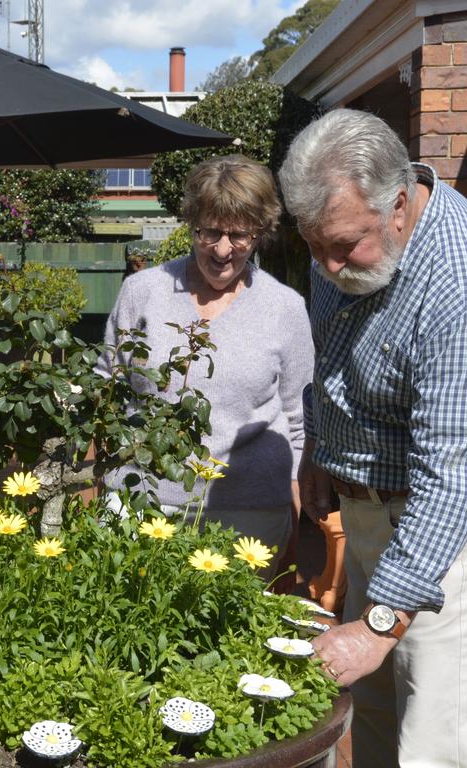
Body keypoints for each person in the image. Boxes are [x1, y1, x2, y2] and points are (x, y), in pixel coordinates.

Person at [278, 108, 467, 768]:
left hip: (455, 528)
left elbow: (452, 478)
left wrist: (383, 621)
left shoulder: (466, 285)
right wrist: (317, 447)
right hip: (371, 512)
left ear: (399, 204)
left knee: (437, 748)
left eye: (343, 246)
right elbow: (334, 354)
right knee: (379, 729)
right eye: (313, 246)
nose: (329, 266)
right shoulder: (346, 232)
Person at [99, 154, 314, 573]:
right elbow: (107, 385)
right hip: (141, 497)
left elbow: (299, 417)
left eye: (239, 236)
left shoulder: (284, 308)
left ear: (261, 233)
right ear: (191, 225)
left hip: (249, 511)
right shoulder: (142, 292)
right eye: (209, 232)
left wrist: (296, 510)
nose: (221, 249)